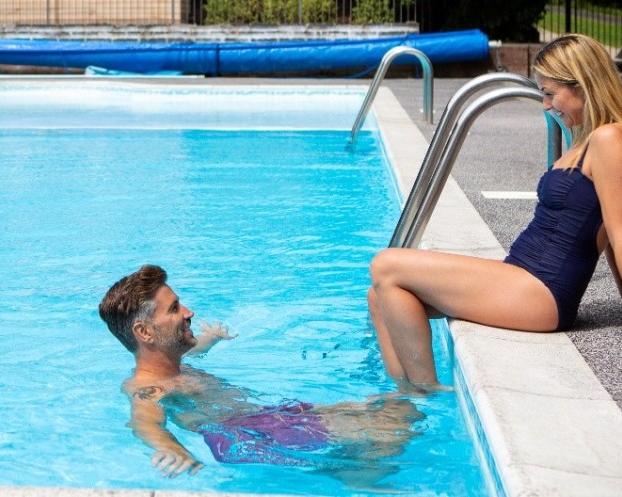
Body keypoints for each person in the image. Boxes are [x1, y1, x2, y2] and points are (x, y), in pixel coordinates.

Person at [369, 33, 622, 393]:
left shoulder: (609, 139)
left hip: (543, 291)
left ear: (582, 85)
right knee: (379, 296)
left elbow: (618, 230)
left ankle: (425, 397)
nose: (546, 105)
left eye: (551, 93)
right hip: (522, 275)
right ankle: (403, 403)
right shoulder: (586, 139)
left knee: (387, 265)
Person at [99, 264, 422, 480]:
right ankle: (354, 476)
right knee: (402, 413)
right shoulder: (150, 387)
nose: (189, 312)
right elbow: (144, 421)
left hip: (272, 417)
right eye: (174, 309)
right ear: (145, 333)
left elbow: (187, 353)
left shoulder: (172, 365)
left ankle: (352, 471)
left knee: (391, 405)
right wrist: (170, 448)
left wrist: (207, 340)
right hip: (257, 434)